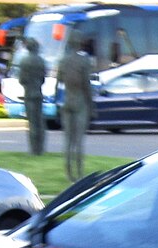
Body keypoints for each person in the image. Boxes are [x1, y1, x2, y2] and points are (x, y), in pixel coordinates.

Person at [56, 30, 95, 182]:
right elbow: (87, 86)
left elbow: (57, 84)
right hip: (80, 103)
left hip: (67, 102)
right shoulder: (83, 61)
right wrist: (91, 106)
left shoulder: (62, 61)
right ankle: (79, 175)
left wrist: (57, 102)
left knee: (67, 140)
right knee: (78, 141)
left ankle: (68, 174)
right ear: (79, 42)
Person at [17, 38, 47, 156]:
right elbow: (43, 79)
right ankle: (41, 148)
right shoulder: (41, 61)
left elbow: (22, 79)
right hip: (38, 93)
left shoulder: (24, 61)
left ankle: (34, 150)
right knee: (40, 121)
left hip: (29, 94)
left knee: (32, 123)